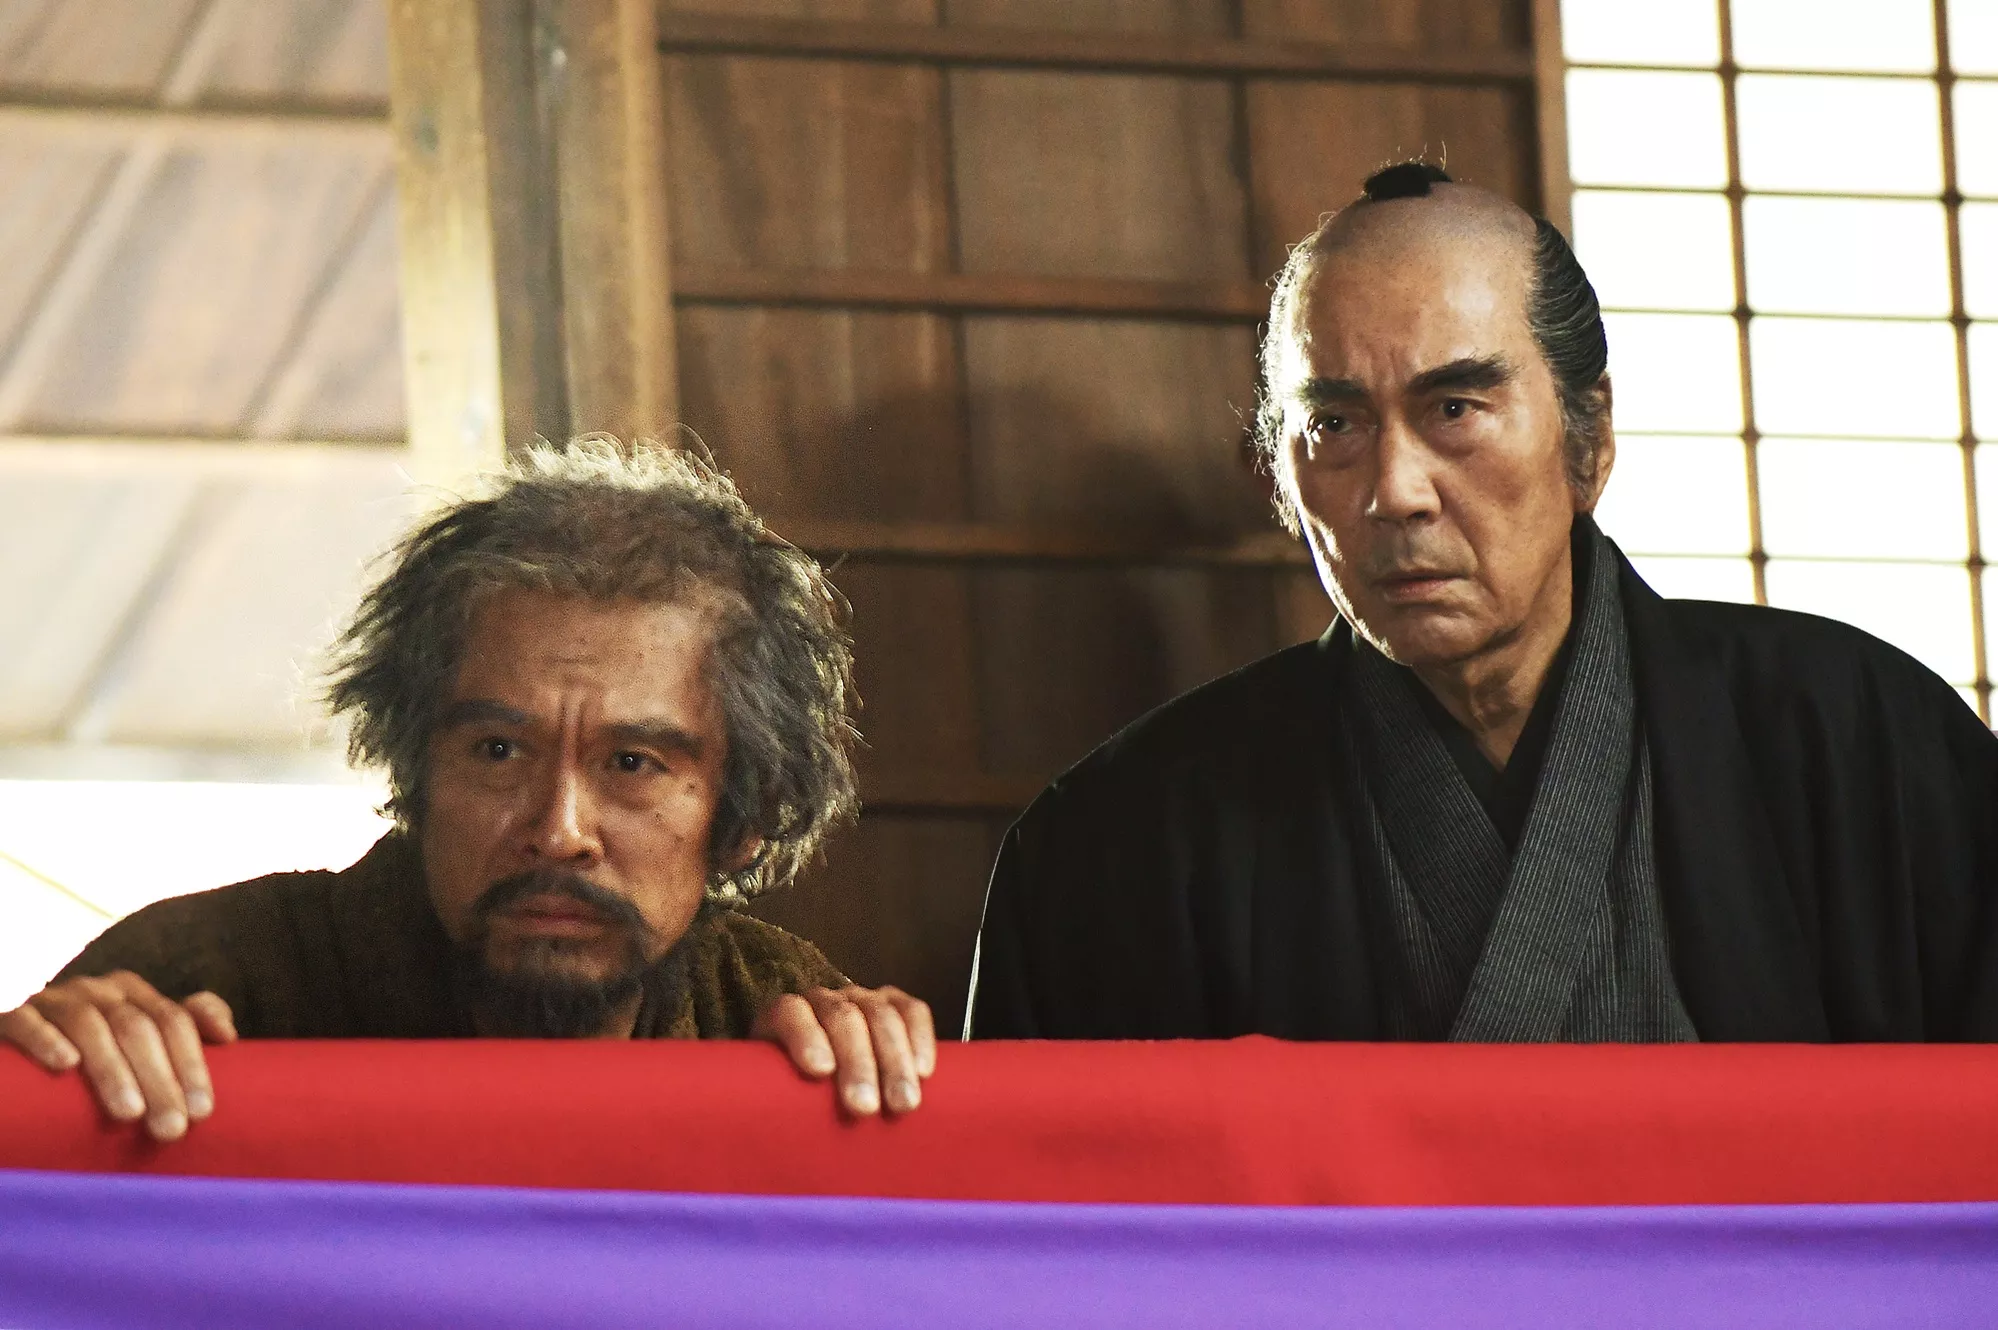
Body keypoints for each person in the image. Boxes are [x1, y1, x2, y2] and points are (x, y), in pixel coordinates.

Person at [966, 162, 1998, 1042]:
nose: (1395, 491)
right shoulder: (1118, 836)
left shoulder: (1858, 740)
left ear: (1588, 437)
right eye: (1334, 426)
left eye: (1454, 407)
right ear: (1279, 471)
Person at [2, 438, 933, 1139]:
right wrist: (40, 1073)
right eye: (497, 751)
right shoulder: (208, 983)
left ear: (742, 818)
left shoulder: (774, 1017)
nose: (559, 832)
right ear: (415, 772)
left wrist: (875, 1087)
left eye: (632, 765)